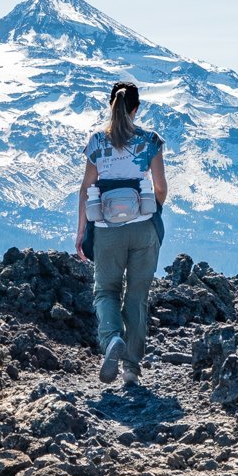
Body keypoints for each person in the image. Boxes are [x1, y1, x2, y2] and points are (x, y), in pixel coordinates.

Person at [74, 81, 167, 388]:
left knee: (106, 291)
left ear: (110, 106)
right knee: (137, 296)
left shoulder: (97, 142)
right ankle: (131, 368)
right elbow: (161, 188)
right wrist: (152, 211)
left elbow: (86, 190)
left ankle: (113, 337)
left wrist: (81, 232)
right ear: (136, 109)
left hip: (107, 231)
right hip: (143, 228)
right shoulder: (150, 140)